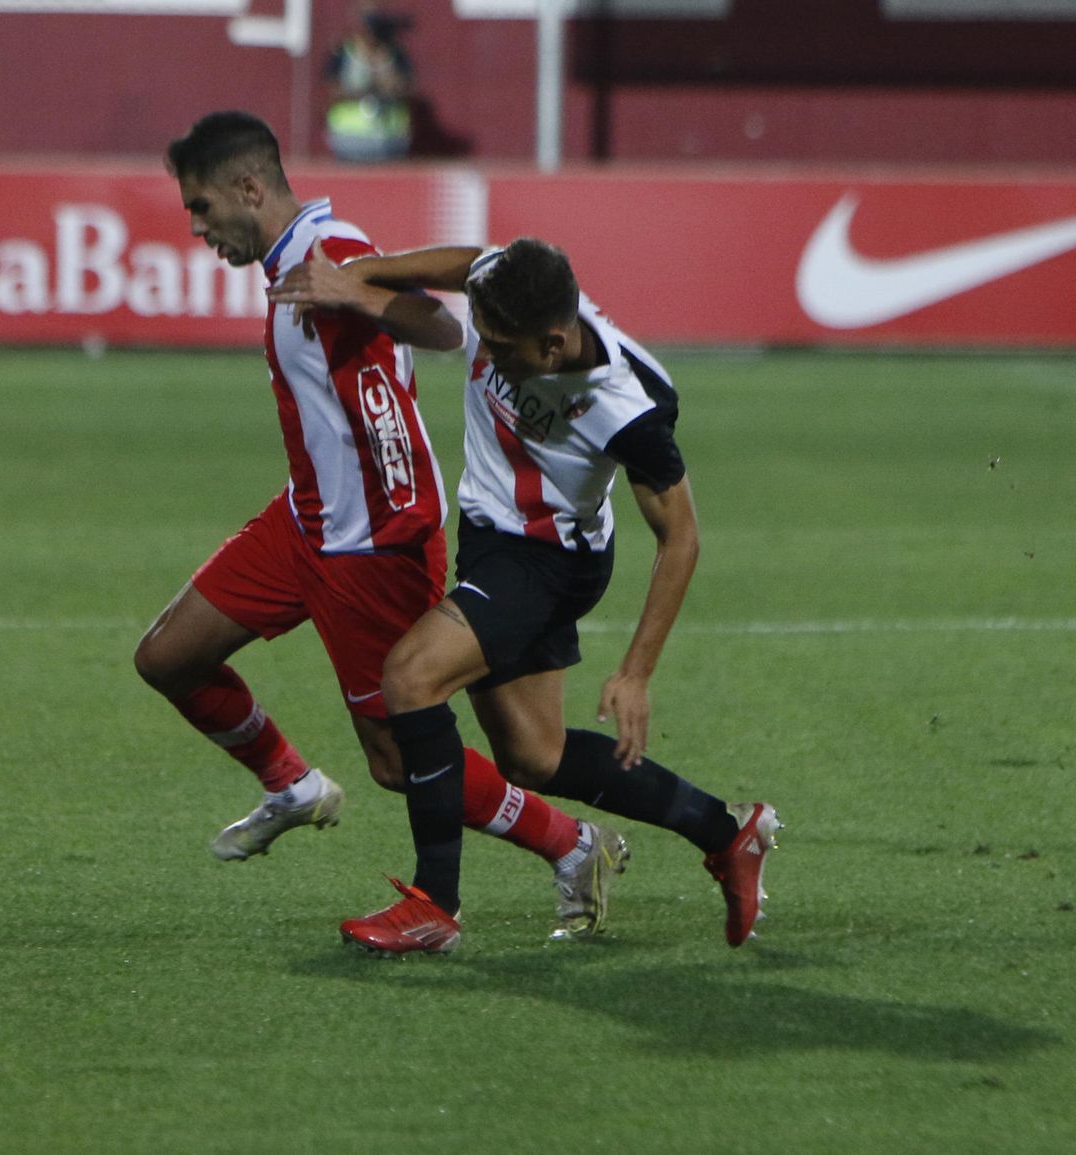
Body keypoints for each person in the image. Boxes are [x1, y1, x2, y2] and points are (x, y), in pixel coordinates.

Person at [135, 112, 631, 940]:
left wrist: (353, 291)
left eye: (201, 207)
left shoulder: (333, 253)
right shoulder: (293, 259)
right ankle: (289, 785)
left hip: (369, 541)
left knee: (400, 759)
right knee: (167, 657)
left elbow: (442, 326)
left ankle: (574, 843)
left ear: (249, 188)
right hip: (303, 519)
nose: (195, 228)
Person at [269, 239, 781, 954]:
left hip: (545, 562)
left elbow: (682, 536)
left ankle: (433, 905)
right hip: (490, 535)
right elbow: (470, 261)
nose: (487, 357)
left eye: (502, 348)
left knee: (410, 677)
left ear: (553, 342)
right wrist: (360, 277)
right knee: (534, 758)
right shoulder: (511, 289)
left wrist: (635, 671)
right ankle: (728, 832)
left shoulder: (625, 405)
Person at [324, 6, 415, 162]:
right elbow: (330, 90)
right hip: (349, 138)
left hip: (391, 139)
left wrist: (389, 84)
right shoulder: (344, 52)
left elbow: (408, 87)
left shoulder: (395, 54)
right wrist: (362, 89)